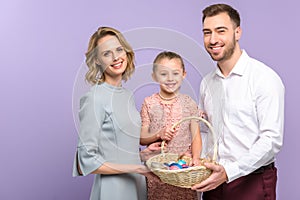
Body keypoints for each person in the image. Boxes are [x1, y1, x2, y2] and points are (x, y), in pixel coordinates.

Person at [191, 4, 285, 200]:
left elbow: (271, 141)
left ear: (237, 32)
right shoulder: (207, 83)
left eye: (220, 31)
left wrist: (229, 171)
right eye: (207, 32)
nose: (213, 39)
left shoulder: (264, 78)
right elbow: (207, 132)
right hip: (213, 183)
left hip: (252, 182)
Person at [72, 26, 161, 200]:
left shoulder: (126, 95)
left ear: (126, 52)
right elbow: (86, 162)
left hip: (136, 184)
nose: (115, 58)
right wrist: (137, 168)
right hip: (113, 190)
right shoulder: (94, 98)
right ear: (97, 60)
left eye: (119, 49)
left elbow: (116, 149)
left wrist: (142, 156)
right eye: (106, 53)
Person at [140, 51, 202, 200]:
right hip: (159, 170)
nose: (170, 79)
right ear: (154, 76)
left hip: (184, 169)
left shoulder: (189, 103)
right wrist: (157, 135)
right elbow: (142, 138)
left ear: (183, 74)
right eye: (163, 74)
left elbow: (196, 136)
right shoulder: (149, 103)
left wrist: (196, 158)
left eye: (175, 73)